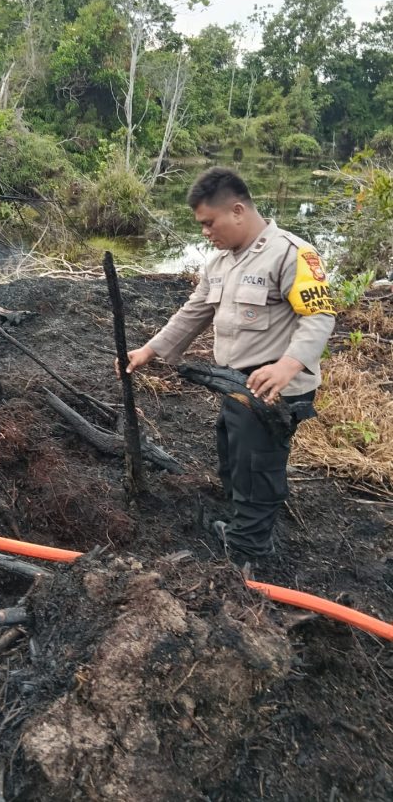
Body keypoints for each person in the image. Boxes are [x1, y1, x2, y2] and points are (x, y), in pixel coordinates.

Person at [123, 167, 335, 568]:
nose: (205, 232)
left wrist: (288, 365)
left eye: (209, 222)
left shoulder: (292, 254)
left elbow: (320, 317)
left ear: (237, 210)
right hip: (235, 383)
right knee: (232, 453)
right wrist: (150, 350)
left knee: (256, 467)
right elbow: (194, 312)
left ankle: (248, 554)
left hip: (273, 388)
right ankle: (243, 521)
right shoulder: (221, 261)